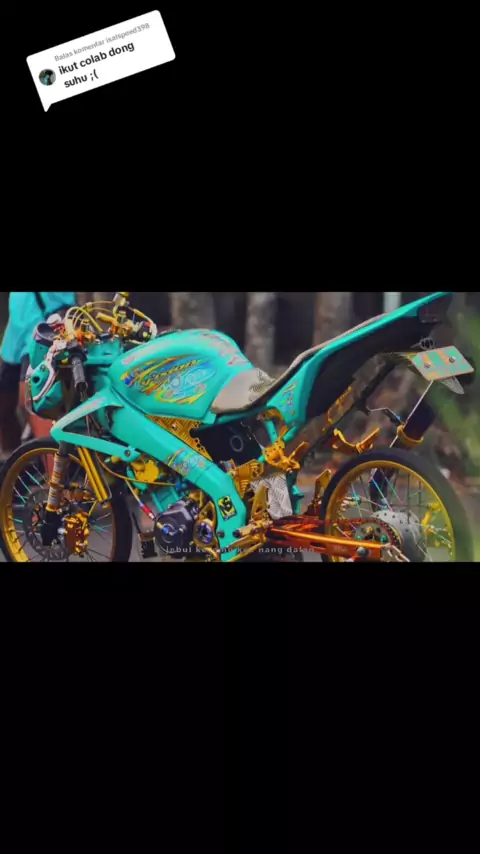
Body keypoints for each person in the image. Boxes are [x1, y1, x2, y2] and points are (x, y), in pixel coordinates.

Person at [0, 291, 77, 461]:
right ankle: (13, 467)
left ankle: (54, 474)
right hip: (17, 331)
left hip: (43, 330)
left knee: (35, 405)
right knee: (5, 403)